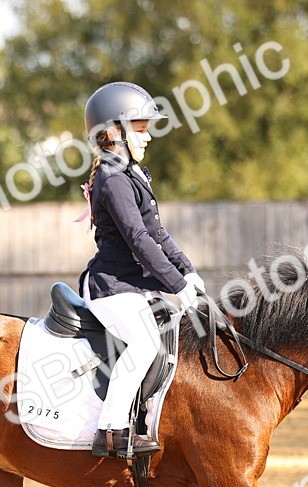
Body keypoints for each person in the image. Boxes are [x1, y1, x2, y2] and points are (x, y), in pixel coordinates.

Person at [80, 81, 206, 458]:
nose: (149, 135)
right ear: (113, 130)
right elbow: (138, 239)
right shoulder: (113, 178)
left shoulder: (133, 174)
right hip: (111, 287)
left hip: (133, 287)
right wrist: (174, 284)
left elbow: (158, 233)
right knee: (144, 343)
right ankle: (111, 429)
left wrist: (188, 272)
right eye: (140, 127)